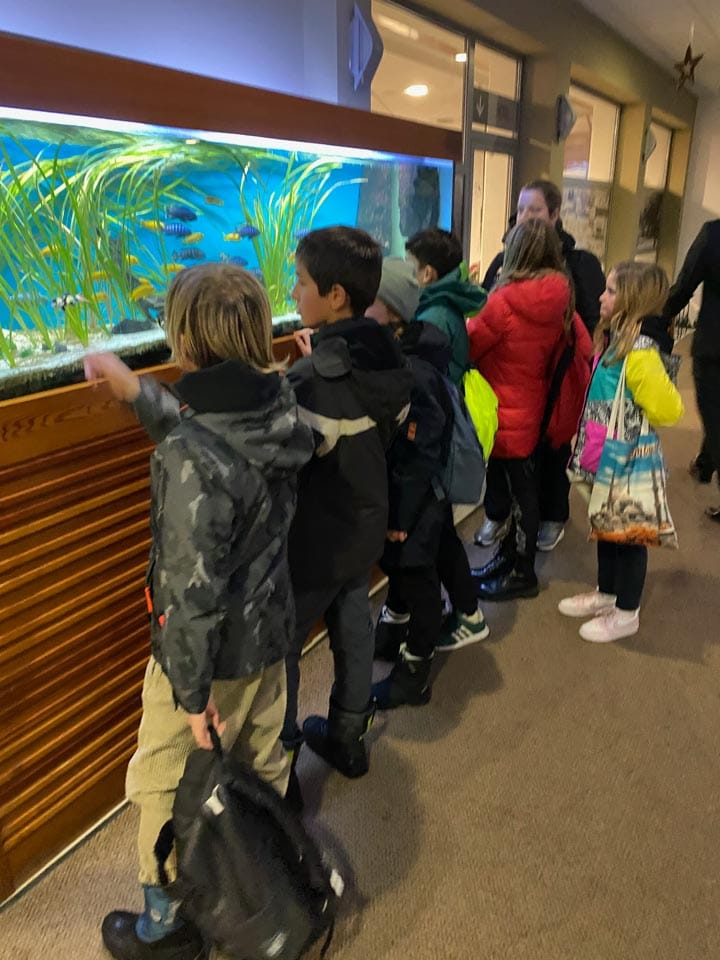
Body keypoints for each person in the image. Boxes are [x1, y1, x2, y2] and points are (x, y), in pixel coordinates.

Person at [84, 264, 315, 960]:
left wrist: (189, 694)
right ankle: (274, 881)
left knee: (162, 779)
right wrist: (136, 391)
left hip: (209, 661)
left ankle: (167, 926)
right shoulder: (280, 405)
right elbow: (215, 440)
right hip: (270, 637)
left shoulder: (191, 455)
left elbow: (190, 592)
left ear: (184, 341)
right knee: (262, 760)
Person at [282, 227, 413, 780]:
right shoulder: (388, 357)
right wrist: (322, 357)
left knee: (285, 642)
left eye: (301, 282)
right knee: (354, 627)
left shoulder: (312, 379)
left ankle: (281, 763)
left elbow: (290, 457)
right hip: (365, 523)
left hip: (316, 537)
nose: (293, 293)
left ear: (335, 295)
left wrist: (295, 378)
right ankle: (349, 736)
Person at [366, 259, 489, 709]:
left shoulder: (414, 373)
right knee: (403, 569)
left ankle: (414, 673)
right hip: (413, 497)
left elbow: (419, 451)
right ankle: (394, 631)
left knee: (420, 584)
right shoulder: (401, 356)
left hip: (419, 501)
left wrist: (399, 516)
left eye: (369, 299)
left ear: (391, 310)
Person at [477, 179, 606, 551]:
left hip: (557, 377)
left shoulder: (579, 265)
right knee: (501, 451)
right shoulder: (504, 260)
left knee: (552, 451)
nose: (525, 217)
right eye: (520, 210)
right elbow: (484, 310)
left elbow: (589, 325)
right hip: (510, 378)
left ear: (554, 214)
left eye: (534, 210)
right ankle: (498, 513)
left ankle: (552, 516)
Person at [565, 262, 684, 642]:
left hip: (627, 457)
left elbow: (669, 410)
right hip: (605, 451)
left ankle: (627, 611)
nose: (602, 296)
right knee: (606, 527)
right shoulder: (615, 339)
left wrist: (649, 384)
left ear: (631, 301)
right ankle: (608, 592)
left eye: (612, 291)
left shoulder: (640, 353)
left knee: (629, 536)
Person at [468, 218, 577, 602]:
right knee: (524, 491)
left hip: (503, 409)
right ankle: (509, 558)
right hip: (532, 405)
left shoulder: (503, 301)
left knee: (519, 496)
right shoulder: (561, 296)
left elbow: (472, 343)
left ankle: (522, 573)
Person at [662, 219, 720, 521]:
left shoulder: (713, 234)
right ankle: (705, 464)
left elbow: (685, 285)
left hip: (714, 347)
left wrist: (657, 315)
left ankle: (709, 463)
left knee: (713, 412)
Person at [405, 227, 487, 386]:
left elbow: (423, 380)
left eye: (409, 267)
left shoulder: (435, 318)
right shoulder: (442, 302)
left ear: (427, 274)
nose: (405, 274)